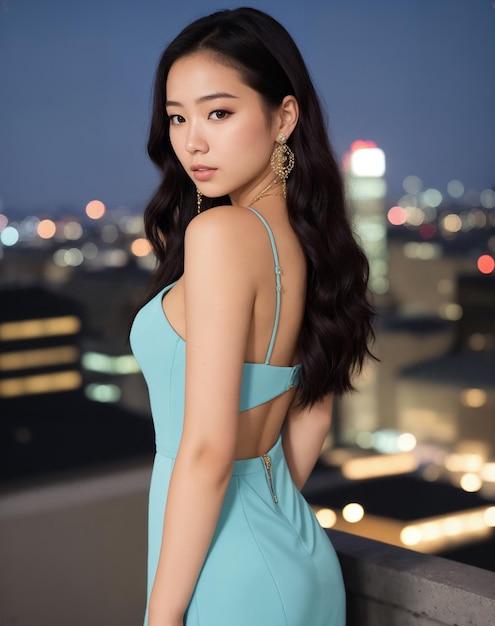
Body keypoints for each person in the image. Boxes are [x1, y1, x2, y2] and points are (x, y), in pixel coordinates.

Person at [130, 7, 374, 626]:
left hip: (231, 574)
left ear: (283, 117)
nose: (192, 141)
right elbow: (313, 410)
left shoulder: (221, 233)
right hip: (292, 550)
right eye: (178, 117)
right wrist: (258, 499)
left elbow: (209, 448)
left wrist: (160, 618)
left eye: (218, 112)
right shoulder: (308, 242)